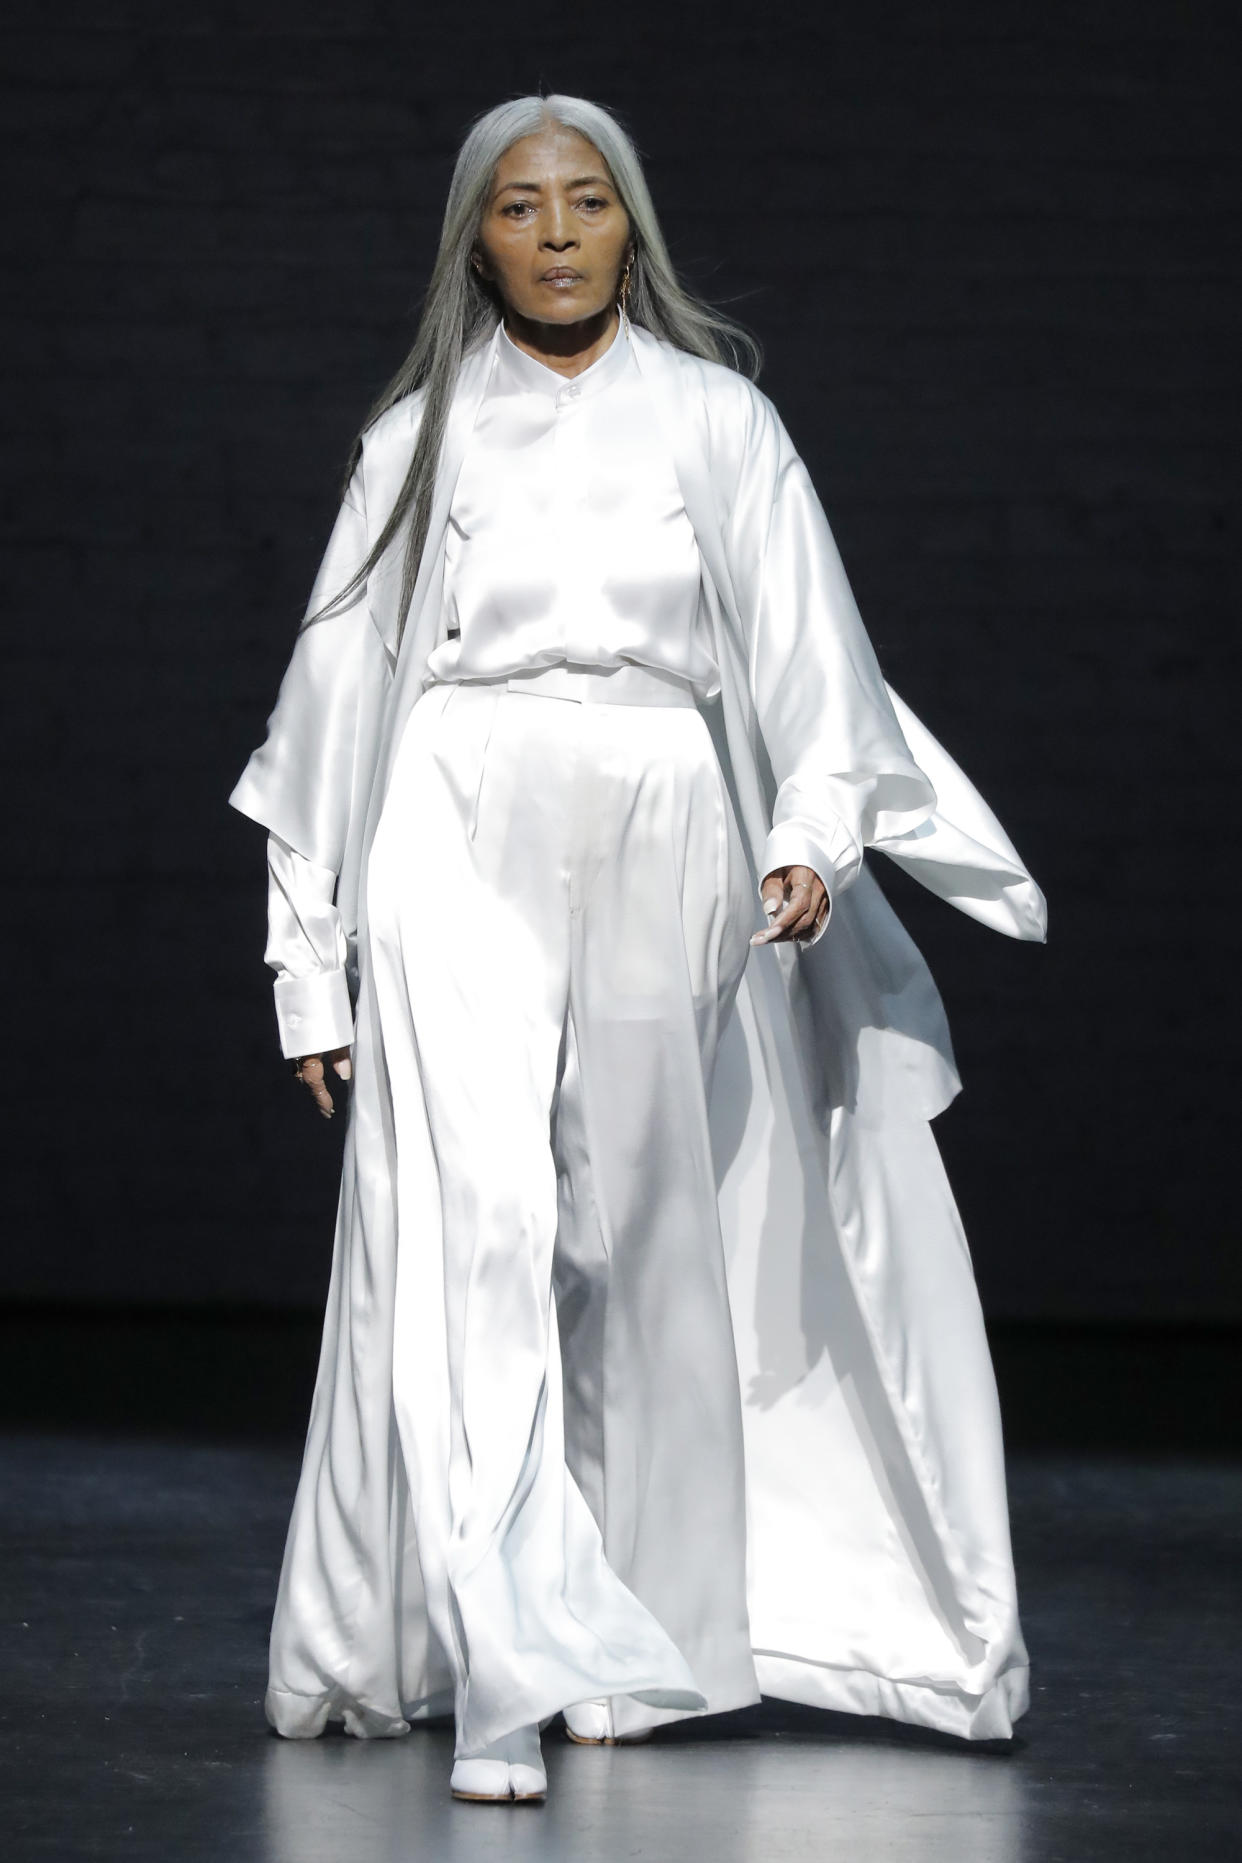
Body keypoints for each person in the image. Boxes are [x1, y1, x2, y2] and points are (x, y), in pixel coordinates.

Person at [229, 93, 1047, 1805]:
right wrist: (312, 965)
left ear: (628, 226)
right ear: (476, 235)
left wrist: (811, 835)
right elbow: (326, 708)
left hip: (669, 809)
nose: (551, 232)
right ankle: (505, 1668)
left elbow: (813, 653)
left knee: (643, 1231)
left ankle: (640, 1647)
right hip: (457, 812)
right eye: (517, 206)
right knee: (475, 1226)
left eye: (583, 203)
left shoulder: (717, 420)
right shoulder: (418, 444)